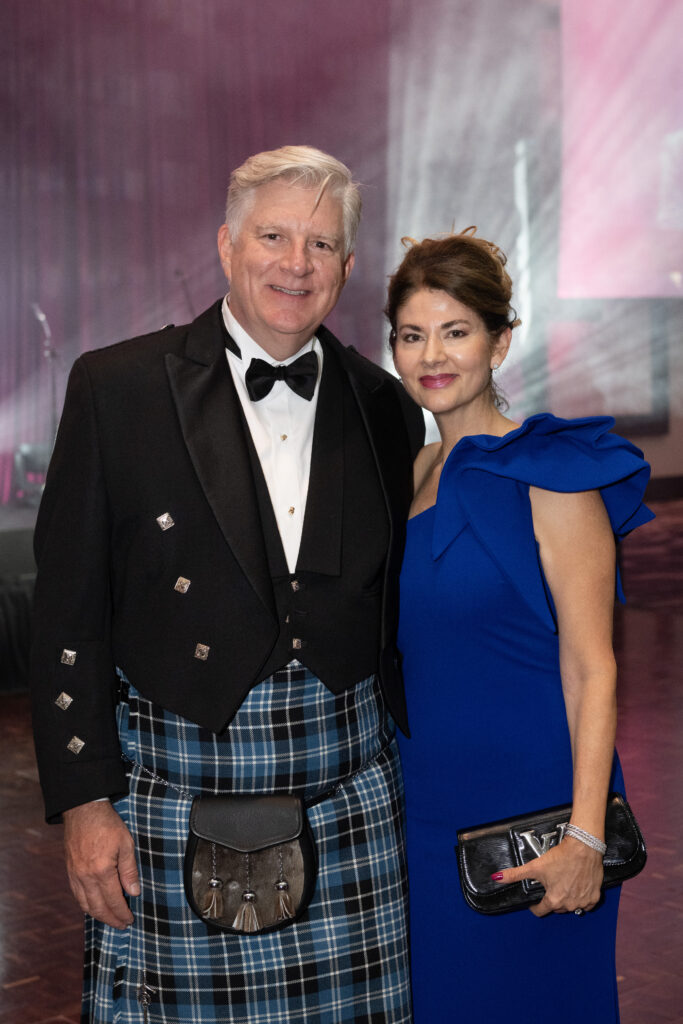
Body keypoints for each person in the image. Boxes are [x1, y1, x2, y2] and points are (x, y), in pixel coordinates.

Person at [29, 145, 424, 1023]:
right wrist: (86, 804)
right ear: (224, 245)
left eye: (321, 245)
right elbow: (67, 615)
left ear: (348, 268)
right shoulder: (119, 387)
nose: (296, 263)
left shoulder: (383, 405)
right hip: (173, 793)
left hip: (349, 795)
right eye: (274, 236)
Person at [385, 228, 653, 1022]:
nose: (432, 354)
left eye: (456, 330)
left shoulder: (551, 473)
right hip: (424, 811)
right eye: (411, 334)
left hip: (536, 816)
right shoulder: (406, 475)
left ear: (500, 342)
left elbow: (592, 667)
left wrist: (585, 839)